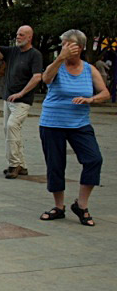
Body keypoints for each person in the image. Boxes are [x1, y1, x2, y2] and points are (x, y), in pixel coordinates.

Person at [38, 30, 109, 226]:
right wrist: (60, 58)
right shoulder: (57, 66)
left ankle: (81, 205)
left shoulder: (89, 69)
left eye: (70, 44)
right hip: (52, 122)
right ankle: (58, 207)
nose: (66, 48)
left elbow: (105, 93)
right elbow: (45, 79)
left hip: (80, 124)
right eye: (63, 44)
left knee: (94, 159)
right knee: (55, 164)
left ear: (80, 47)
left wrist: (91, 99)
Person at [0, 24, 43, 179]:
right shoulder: (13, 51)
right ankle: (21, 165)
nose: (18, 37)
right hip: (8, 98)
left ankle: (14, 164)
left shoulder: (35, 55)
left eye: (22, 35)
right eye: (17, 34)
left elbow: (37, 77)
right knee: (11, 130)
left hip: (22, 100)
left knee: (12, 126)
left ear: (30, 37)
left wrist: (21, 93)